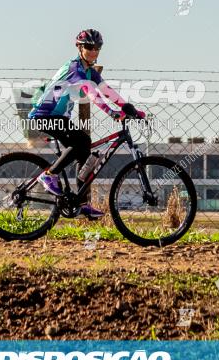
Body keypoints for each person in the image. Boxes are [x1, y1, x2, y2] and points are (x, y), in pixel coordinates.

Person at [27, 28, 145, 219]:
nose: (93, 51)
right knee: (81, 141)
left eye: (97, 47)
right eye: (89, 47)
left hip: (59, 118)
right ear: (79, 48)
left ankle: (81, 204)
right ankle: (49, 175)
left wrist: (130, 109)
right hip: (44, 115)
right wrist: (112, 113)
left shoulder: (90, 71)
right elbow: (92, 93)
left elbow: (107, 91)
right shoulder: (75, 68)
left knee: (84, 150)